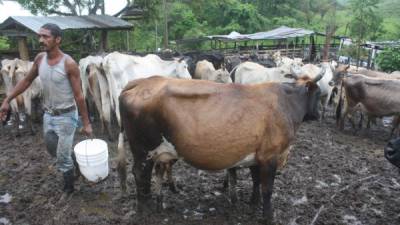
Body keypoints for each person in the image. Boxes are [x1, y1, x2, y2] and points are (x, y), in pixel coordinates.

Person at [0, 23, 93, 197]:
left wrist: (86, 123)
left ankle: (69, 188)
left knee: (62, 156)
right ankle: (76, 164)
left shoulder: (69, 64)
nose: (41, 40)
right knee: (53, 149)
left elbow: (79, 96)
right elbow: (26, 81)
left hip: (66, 116)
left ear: (58, 40)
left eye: (46, 36)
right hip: (48, 115)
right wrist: (7, 99)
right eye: (40, 36)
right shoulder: (39, 59)